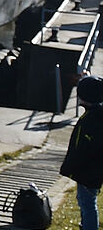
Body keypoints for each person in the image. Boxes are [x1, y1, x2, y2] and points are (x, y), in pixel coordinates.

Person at [62, 75, 103, 230]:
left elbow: (81, 148)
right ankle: (85, 225)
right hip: (91, 170)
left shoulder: (91, 120)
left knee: (87, 203)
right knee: (84, 201)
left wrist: (72, 166)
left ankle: (89, 227)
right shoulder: (96, 116)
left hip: (88, 171)